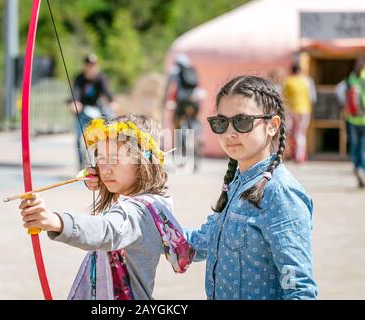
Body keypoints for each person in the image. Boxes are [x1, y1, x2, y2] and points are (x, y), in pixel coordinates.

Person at [85, 77, 318, 300]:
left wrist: (59, 223)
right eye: (221, 123)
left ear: (272, 126)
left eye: (242, 121)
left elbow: (299, 288)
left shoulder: (280, 193)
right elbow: (195, 244)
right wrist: (119, 184)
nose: (230, 133)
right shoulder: (238, 182)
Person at [19, 114, 194, 300]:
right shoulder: (151, 206)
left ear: (143, 163)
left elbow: (106, 230)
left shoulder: (137, 213)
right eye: (101, 159)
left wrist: (56, 221)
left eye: (116, 159)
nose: (106, 169)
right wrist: (104, 182)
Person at [70, 53, 117, 168]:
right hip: (83, 110)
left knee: (111, 125)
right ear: (85, 66)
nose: (91, 67)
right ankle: (82, 163)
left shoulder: (101, 77)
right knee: (78, 136)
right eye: (89, 65)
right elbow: (76, 92)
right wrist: (75, 102)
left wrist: (112, 102)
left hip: (98, 108)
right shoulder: (79, 78)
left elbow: (106, 91)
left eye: (93, 65)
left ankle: (111, 157)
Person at [335, 59, 365, 188]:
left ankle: (359, 168)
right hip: (355, 119)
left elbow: (338, 92)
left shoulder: (349, 81)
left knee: (359, 146)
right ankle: (359, 168)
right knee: (357, 146)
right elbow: (339, 92)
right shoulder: (350, 81)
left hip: (356, 119)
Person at [282, 62, 315, 163]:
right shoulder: (307, 80)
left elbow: (284, 97)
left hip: (292, 110)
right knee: (300, 134)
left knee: (290, 133)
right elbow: (312, 98)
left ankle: (290, 154)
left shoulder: (287, 81)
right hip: (305, 110)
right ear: (300, 70)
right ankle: (300, 156)